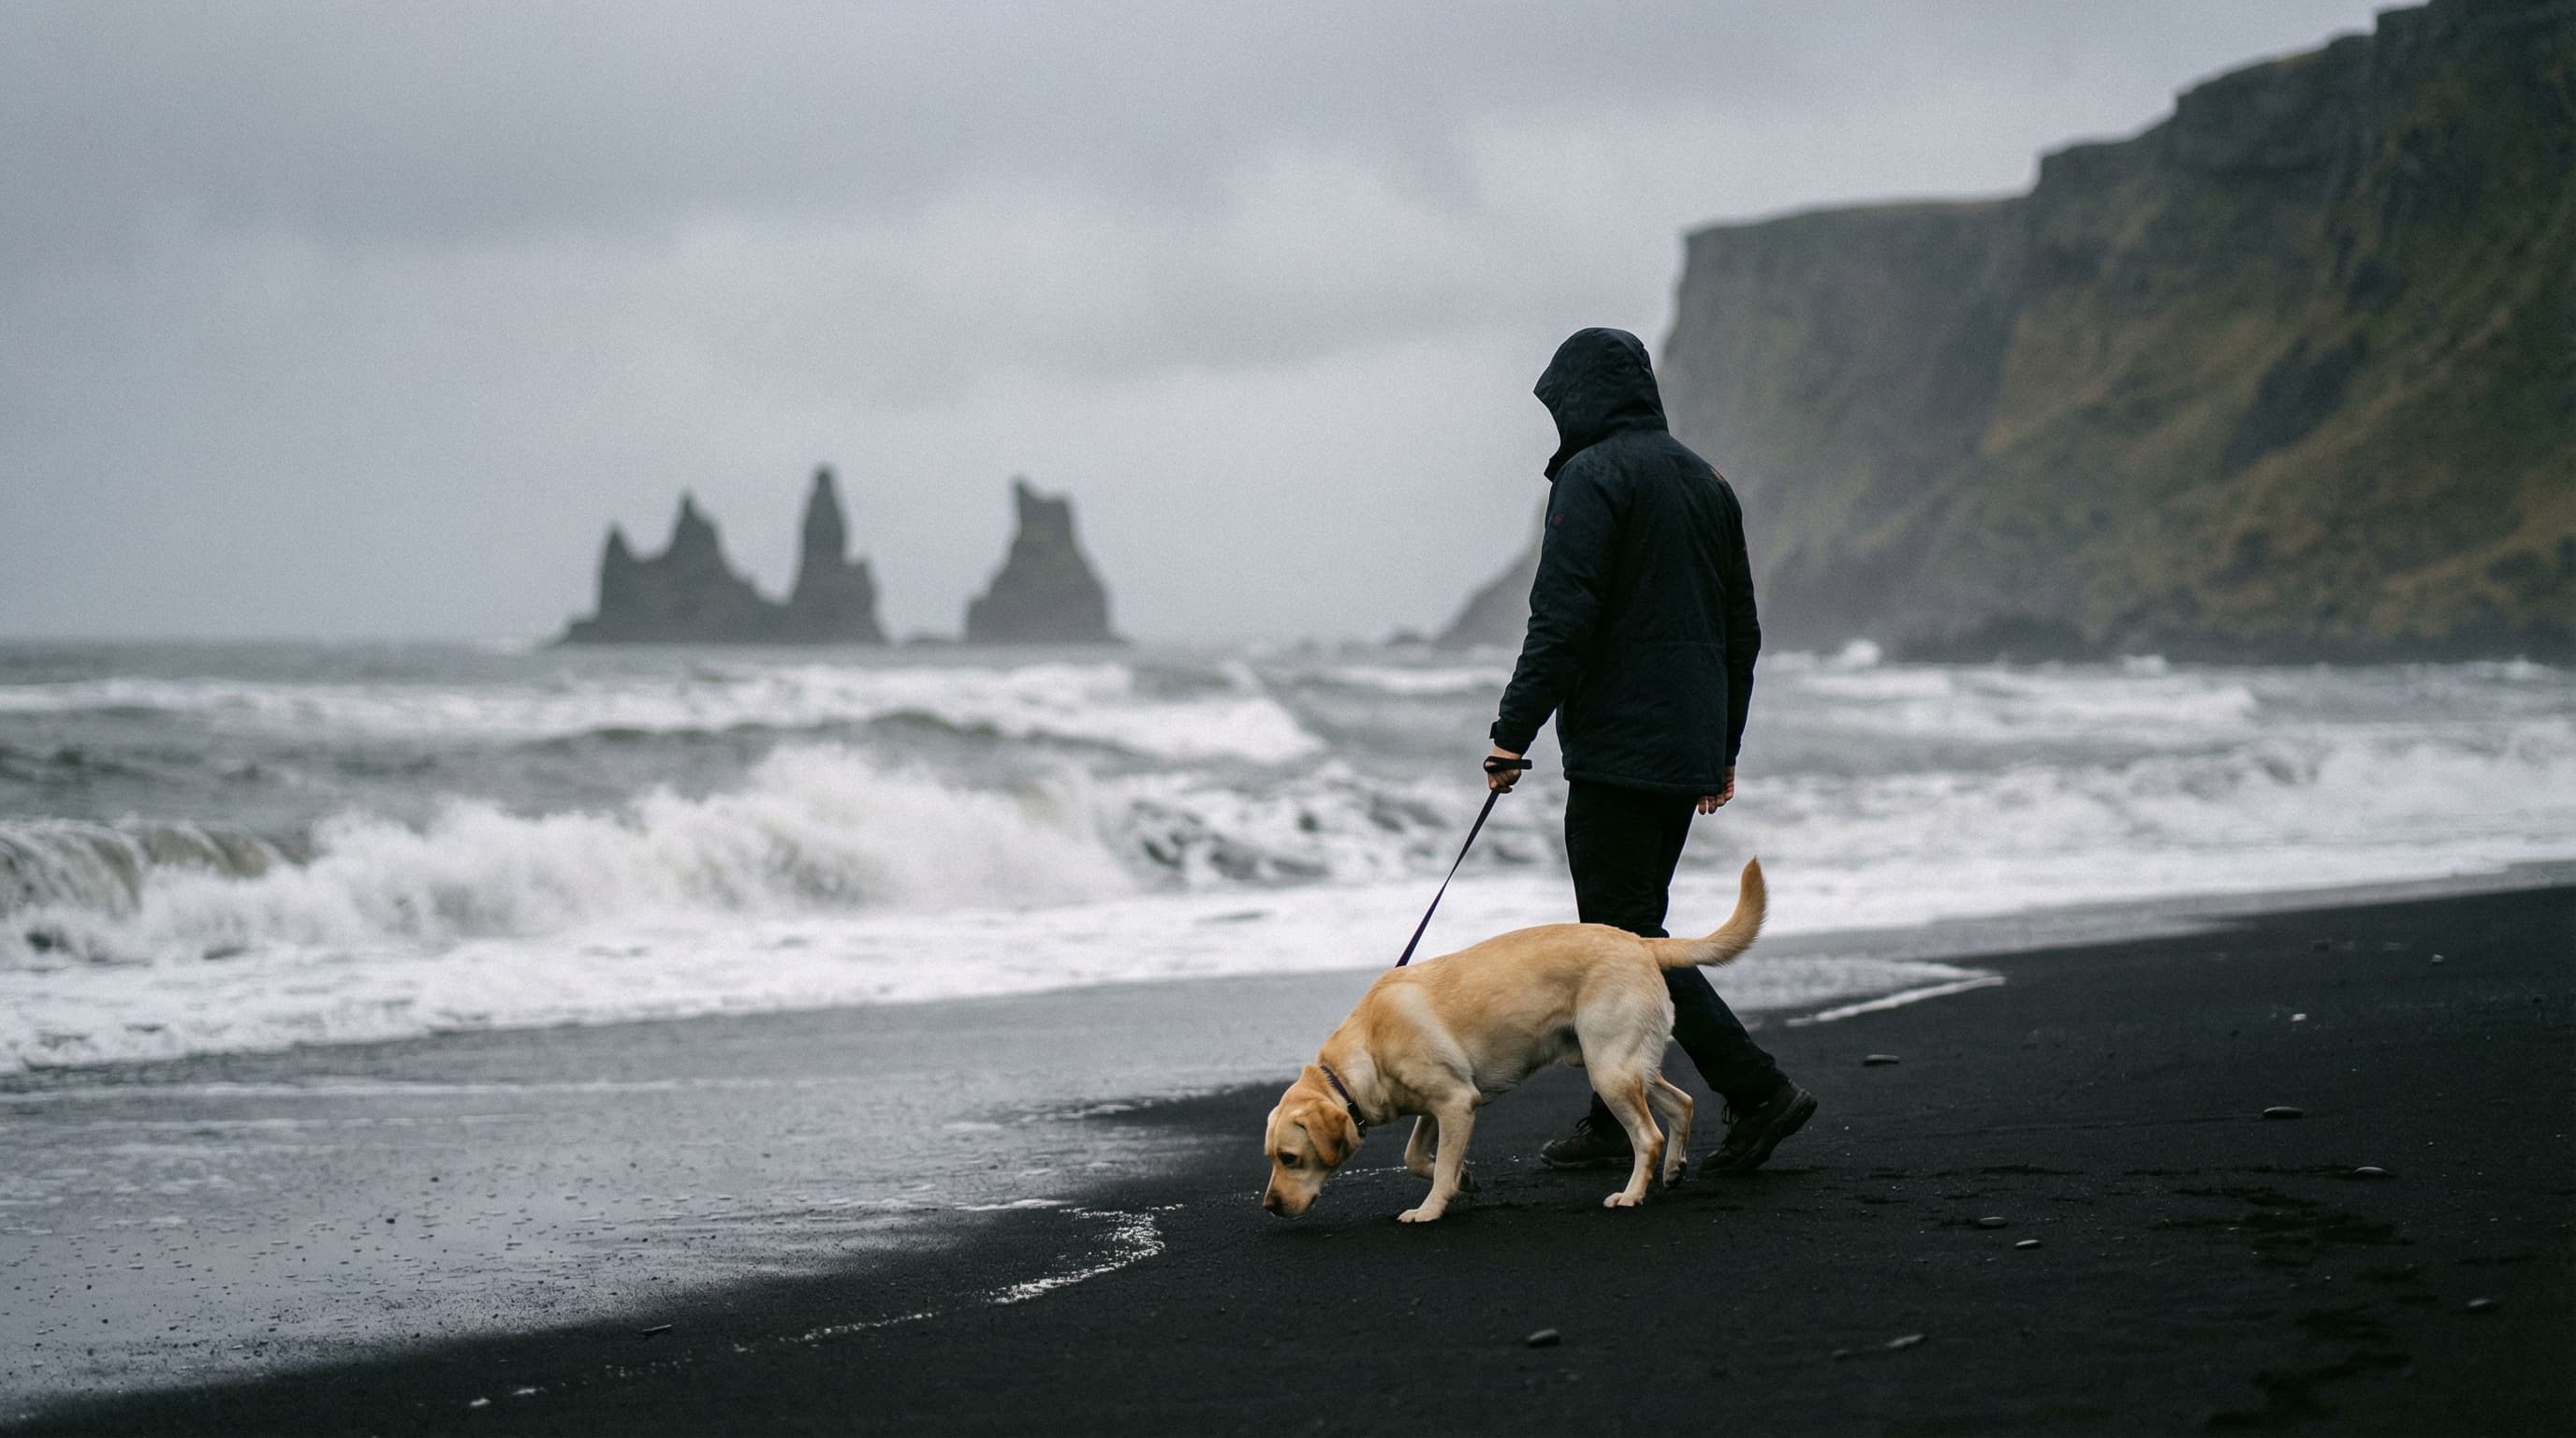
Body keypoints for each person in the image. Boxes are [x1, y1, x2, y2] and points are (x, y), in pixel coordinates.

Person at [1484, 326, 1816, 1175]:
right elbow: (1743, 632)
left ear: (1581, 399)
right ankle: (1610, 1113)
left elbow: (1563, 621)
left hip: (1620, 750)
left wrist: (1510, 732)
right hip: (1682, 747)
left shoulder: (1594, 479)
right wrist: (1723, 746)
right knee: (1622, 932)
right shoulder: (1708, 481)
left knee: (1625, 939)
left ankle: (1757, 1089)